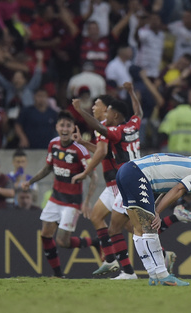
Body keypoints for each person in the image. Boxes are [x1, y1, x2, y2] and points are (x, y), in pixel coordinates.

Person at [116, 153, 191, 286]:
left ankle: (153, 275)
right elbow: (178, 189)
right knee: (151, 227)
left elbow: (169, 189)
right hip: (138, 174)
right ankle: (163, 274)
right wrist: (157, 212)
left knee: (138, 228)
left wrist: (155, 208)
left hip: (125, 171)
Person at [71, 82, 141, 280]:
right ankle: (111, 260)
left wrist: (80, 111)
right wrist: (131, 91)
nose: (96, 108)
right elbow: (138, 112)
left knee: (124, 228)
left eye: (102, 107)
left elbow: (102, 150)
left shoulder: (112, 129)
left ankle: (132, 269)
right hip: (117, 184)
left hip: (123, 183)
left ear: (113, 113)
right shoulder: (132, 125)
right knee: (97, 216)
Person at [22, 110, 99, 278]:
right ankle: (58, 275)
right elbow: (48, 168)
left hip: (72, 202)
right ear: (57, 127)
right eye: (62, 125)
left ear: (73, 128)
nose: (65, 129)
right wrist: (31, 181)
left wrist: (87, 201)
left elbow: (94, 176)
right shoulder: (53, 144)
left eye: (68, 126)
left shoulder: (80, 150)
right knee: (45, 235)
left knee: (62, 242)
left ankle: (95, 242)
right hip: (55, 198)